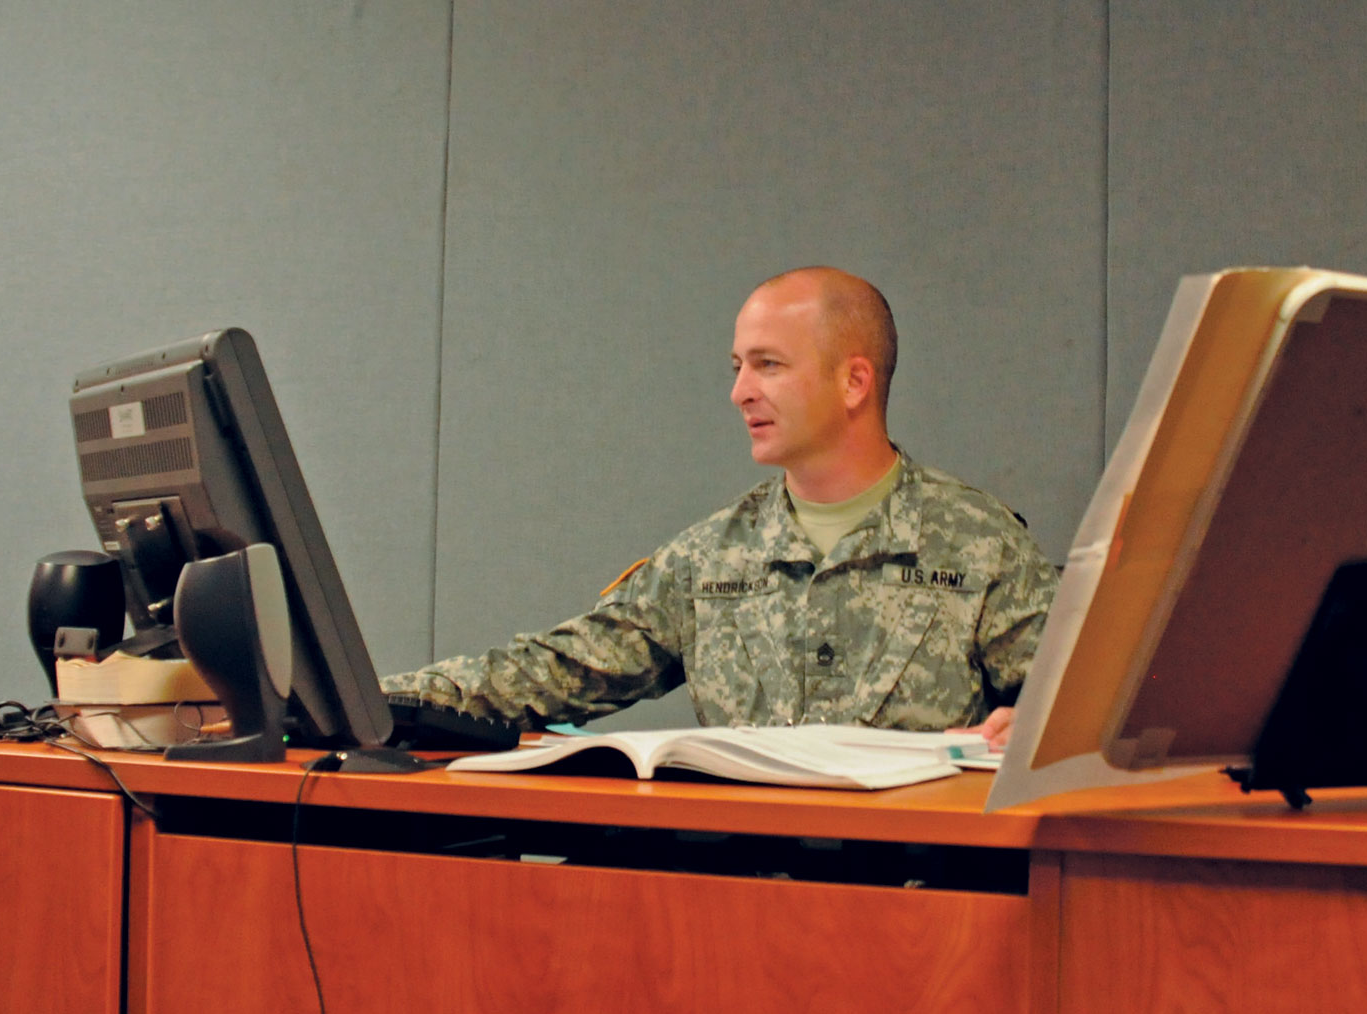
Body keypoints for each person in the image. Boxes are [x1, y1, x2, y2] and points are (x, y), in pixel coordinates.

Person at [382, 267, 1057, 746]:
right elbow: (554, 672)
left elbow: (1089, 701)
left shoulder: (976, 544)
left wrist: (1039, 721)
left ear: (854, 381)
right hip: (736, 896)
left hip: (916, 904)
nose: (739, 391)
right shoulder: (711, 558)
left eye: (767, 365)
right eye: (736, 365)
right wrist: (372, 699)